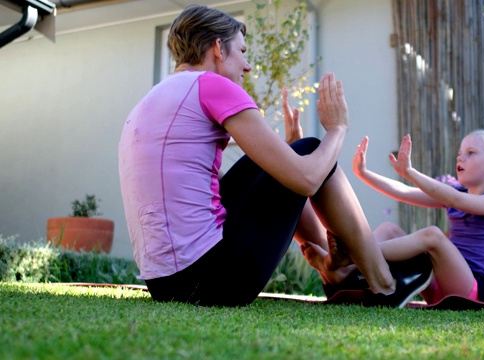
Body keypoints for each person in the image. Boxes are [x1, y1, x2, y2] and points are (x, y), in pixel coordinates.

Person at [118, 5, 431, 307]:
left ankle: (334, 267)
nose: (248, 66)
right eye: (242, 52)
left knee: (285, 162)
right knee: (309, 150)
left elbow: (211, 191)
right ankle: (385, 283)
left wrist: (282, 159)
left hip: (166, 284)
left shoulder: (152, 99)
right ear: (217, 48)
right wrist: (337, 129)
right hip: (210, 281)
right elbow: (307, 179)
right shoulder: (212, 85)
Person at [350, 130, 484, 303]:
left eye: (471, 153)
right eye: (460, 153)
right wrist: (363, 173)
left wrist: (410, 173)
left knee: (433, 236)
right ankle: (349, 268)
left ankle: (353, 254)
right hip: (437, 284)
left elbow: (455, 199)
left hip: (471, 291)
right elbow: (404, 192)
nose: (460, 157)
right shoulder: (455, 194)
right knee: (389, 230)